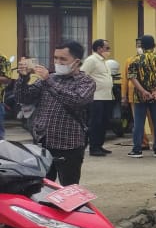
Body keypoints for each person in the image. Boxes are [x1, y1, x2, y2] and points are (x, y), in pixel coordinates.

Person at [12, 42, 96, 186]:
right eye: (55, 58)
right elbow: (23, 98)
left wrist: (48, 80)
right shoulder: (50, 79)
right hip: (42, 141)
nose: (57, 62)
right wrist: (23, 78)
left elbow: (77, 100)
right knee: (40, 186)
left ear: (76, 62)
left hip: (69, 144)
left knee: (69, 187)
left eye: (63, 59)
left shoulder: (86, 82)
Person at [125, 34, 156, 158]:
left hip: (140, 97)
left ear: (142, 46)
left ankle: (137, 149)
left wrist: (143, 91)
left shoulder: (135, 60)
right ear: (154, 45)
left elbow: (132, 77)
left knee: (139, 123)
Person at [80, 39, 115, 158]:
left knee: (104, 122)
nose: (108, 51)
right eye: (107, 48)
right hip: (96, 97)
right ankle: (93, 147)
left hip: (106, 96)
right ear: (99, 49)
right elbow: (82, 75)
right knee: (96, 123)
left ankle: (100, 145)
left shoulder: (103, 61)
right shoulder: (91, 60)